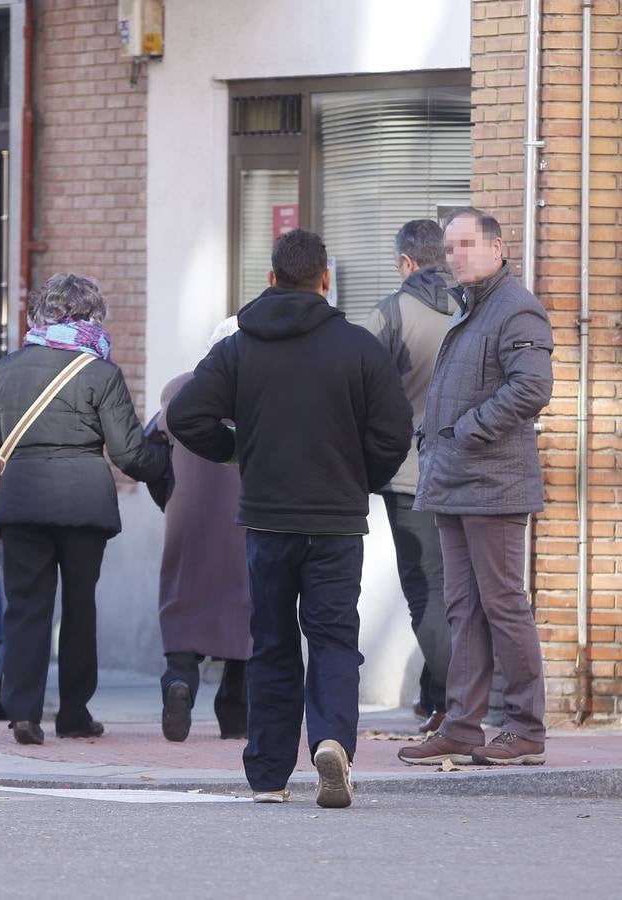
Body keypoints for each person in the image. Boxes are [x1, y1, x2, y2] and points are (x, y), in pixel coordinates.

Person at [167, 229, 412, 807]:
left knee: (272, 641)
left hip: (268, 521)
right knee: (332, 640)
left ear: (272, 279)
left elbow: (185, 413)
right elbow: (395, 430)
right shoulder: (358, 348)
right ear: (324, 279)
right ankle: (331, 742)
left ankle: (269, 775)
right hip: (336, 521)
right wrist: (363, 477)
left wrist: (238, 451)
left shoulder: (239, 346)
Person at [0, 273, 168, 746]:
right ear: (91, 315)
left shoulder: (8, 367)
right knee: (80, 607)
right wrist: (167, 466)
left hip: (21, 505)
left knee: (26, 608)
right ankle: (75, 713)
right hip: (84, 507)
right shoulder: (101, 372)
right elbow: (128, 454)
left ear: (40, 313)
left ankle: (22, 712)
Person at [396, 208, 553, 767]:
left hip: (494, 483)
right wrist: (431, 435)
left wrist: (466, 430)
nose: (455, 254)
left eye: (466, 244)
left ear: (497, 247)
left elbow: (532, 387)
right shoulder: (469, 308)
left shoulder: (517, 307)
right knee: (462, 607)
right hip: (454, 480)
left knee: (503, 604)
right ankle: (462, 725)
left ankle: (525, 728)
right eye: (450, 245)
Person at [365, 219, 454, 734]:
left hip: (408, 473)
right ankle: (434, 697)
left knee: (425, 590)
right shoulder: (473, 307)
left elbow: (360, 383)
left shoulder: (393, 312)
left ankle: (449, 703)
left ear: (406, 262)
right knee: (458, 591)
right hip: (467, 470)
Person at [150, 316, 251, 742]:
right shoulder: (259, 391)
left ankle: (179, 682)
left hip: (188, 521)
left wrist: (168, 500)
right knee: (246, 616)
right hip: (248, 520)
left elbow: (148, 453)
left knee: (183, 603)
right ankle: (235, 714)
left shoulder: (178, 390)